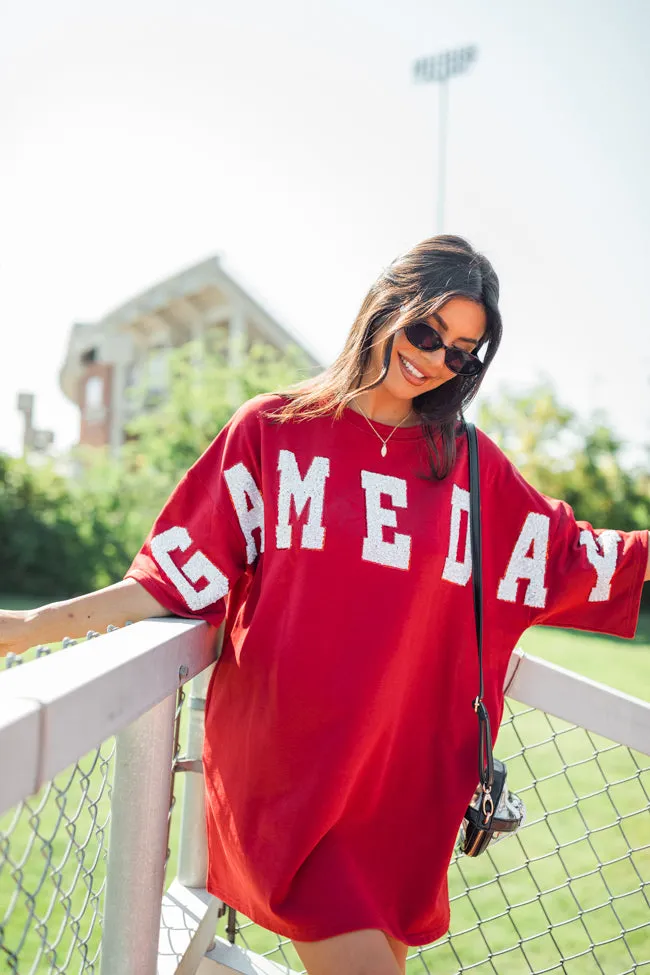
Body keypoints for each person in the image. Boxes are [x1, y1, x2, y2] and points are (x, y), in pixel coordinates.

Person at [2, 235, 648, 975]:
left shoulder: (468, 465)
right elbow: (174, 575)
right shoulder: (273, 432)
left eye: (462, 352)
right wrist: (30, 627)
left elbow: (574, 554)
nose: (437, 360)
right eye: (427, 331)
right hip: (289, 786)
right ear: (388, 306)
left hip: (399, 791)